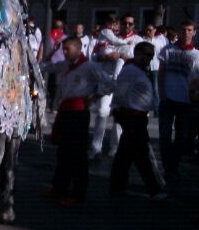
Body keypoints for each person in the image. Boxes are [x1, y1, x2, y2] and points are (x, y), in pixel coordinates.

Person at [48, 37, 115, 206]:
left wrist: (95, 96)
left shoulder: (89, 66)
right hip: (65, 110)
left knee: (77, 153)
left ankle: (77, 194)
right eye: (63, 49)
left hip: (78, 112)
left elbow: (109, 83)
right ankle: (59, 188)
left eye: (68, 48)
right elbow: (47, 67)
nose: (64, 52)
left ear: (78, 49)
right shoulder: (64, 65)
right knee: (63, 151)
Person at [109, 42, 167, 200]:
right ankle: (153, 188)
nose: (149, 58)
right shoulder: (131, 71)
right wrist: (117, 110)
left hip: (138, 116)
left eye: (151, 55)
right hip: (132, 116)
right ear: (137, 53)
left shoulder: (139, 70)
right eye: (146, 54)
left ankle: (117, 184)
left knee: (125, 153)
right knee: (141, 155)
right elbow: (120, 92)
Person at [90, 13, 142, 160]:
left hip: (125, 82)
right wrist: (106, 56)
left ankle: (115, 147)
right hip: (107, 79)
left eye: (130, 24)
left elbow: (141, 60)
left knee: (119, 117)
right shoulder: (109, 35)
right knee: (102, 112)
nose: (127, 26)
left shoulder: (137, 40)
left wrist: (122, 57)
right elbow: (94, 55)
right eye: (124, 23)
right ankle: (96, 148)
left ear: (134, 25)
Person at [157, 19, 199, 179]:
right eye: (183, 29)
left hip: (186, 102)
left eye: (189, 30)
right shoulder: (167, 50)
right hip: (168, 99)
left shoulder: (196, 54)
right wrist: (161, 93)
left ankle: (173, 166)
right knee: (165, 136)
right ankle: (168, 167)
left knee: (181, 137)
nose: (186, 33)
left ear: (194, 32)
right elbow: (161, 73)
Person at [141, 23, 168, 112]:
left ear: (154, 30)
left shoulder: (159, 41)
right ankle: (145, 108)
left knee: (156, 89)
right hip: (145, 67)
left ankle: (157, 109)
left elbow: (162, 54)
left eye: (150, 30)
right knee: (145, 88)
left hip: (155, 67)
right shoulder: (142, 41)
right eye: (147, 30)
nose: (148, 32)